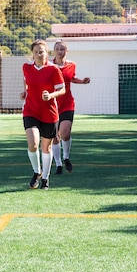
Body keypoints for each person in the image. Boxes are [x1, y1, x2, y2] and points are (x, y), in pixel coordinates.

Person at [21, 39, 65, 190]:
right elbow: (26, 81)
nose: (39, 54)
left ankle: (45, 178)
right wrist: (25, 92)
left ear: (47, 53)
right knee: (33, 144)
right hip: (31, 110)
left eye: (42, 52)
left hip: (49, 113)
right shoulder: (26, 68)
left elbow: (62, 89)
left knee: (46, 148)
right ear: (32, 54)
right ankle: (37, 172)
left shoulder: (53, 70)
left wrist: (51, 96)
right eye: (36, 52)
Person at [51, 40, 90, 174]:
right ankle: (58, 165)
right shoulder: (49, 66)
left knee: (65, 134)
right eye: (57, 49)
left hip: (67, 103)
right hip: (52, 105)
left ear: (66, 51)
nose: (60, 51)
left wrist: (82, 82)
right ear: (54, 51)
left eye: (62, 49)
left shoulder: (71, 65)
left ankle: (66, 157)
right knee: (55, 137)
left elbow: (71, 78)